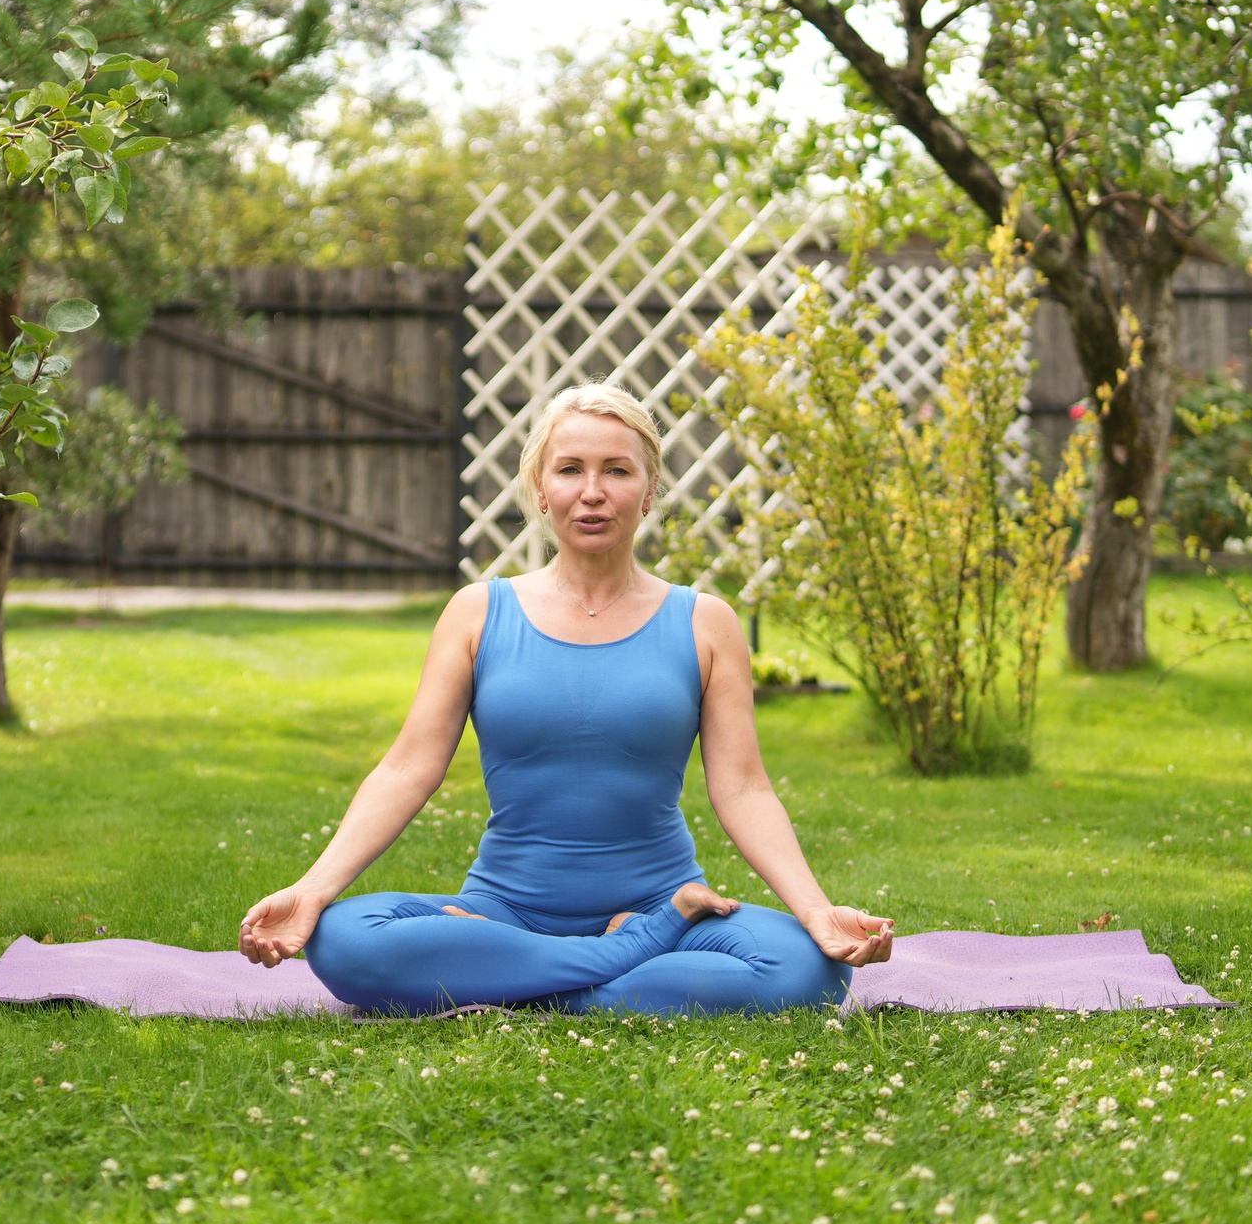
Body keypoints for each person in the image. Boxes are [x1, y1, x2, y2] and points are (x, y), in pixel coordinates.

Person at [238, 381, 892, 1014]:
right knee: (343, 939)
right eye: (570, 469)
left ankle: (509, 978)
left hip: (661, 897)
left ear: (651, 488)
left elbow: (744, 789)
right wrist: (312, 889)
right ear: (541, 490)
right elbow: (408, 768)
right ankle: (623, 955)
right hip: (503, 910)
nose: (593, 492)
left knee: (809, 969)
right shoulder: (477, 612)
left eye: (617, 470)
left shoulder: (705, 622)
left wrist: (814, 910)